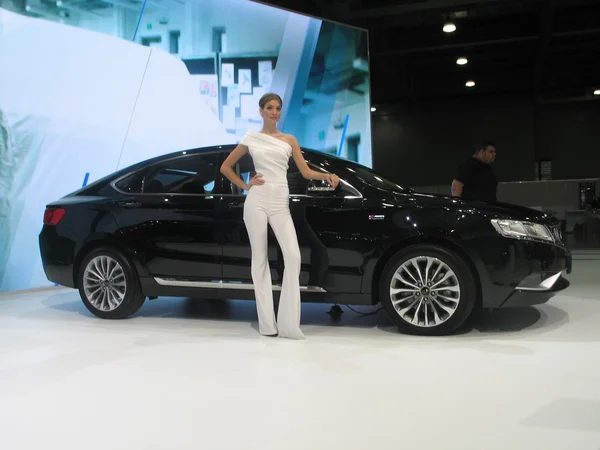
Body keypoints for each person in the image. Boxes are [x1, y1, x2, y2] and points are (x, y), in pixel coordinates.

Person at [220, 93, 340, 339]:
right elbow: (225, 166)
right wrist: (245, 186)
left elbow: (305, 172)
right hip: (257, 200)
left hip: (279, 202)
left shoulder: (289, 140)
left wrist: (326, 176)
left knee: (294, 256)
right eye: (269, 108)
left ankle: (288, 324)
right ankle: (267, 324)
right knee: (260, 260)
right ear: (261, 111)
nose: (274, 112)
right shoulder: (251, 138)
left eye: (278, 108)